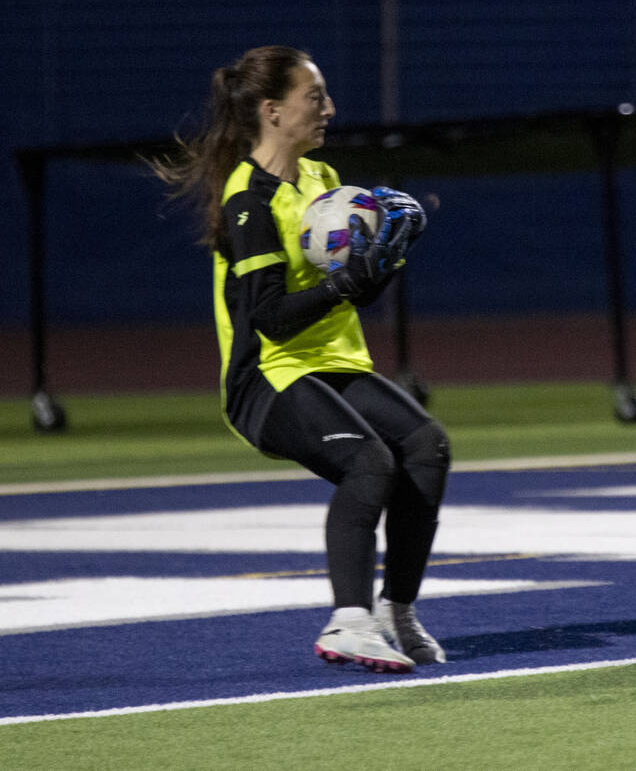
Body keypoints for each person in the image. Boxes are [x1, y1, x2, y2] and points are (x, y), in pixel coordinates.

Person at [152, 46, 449, 672]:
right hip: (265, 376)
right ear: (272, 111)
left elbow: (357, 290)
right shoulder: (248, 199)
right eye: (314, 98)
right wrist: (347, 281)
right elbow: (269, 316)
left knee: (425, 444)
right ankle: (348, 620)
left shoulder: (323, 181)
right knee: (367, 461)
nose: (328, 109)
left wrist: (390, 253)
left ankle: (397, 609)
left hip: (329, 362)